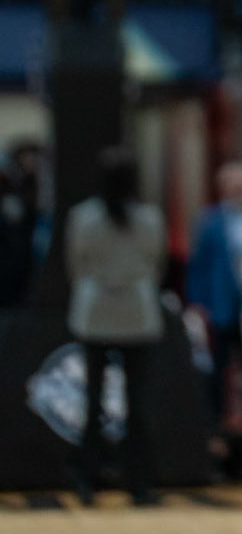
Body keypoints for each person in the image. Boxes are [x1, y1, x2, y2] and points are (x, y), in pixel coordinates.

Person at [65, 146, 166, 506]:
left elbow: (76, 263)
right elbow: (157, 263)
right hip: (138, 310)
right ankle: (139, 485)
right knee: (138, 404)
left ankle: (87, 481)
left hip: (94, 310)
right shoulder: (150, 219)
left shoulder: (83, 218)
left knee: (93, 400)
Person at [186, 161, 242, 453]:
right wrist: (198, 303)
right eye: (232, 184)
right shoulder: (211, 220)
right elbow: (199, 265)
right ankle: (215, 426)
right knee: (218, 368)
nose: (238, 189)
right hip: (222, 306)